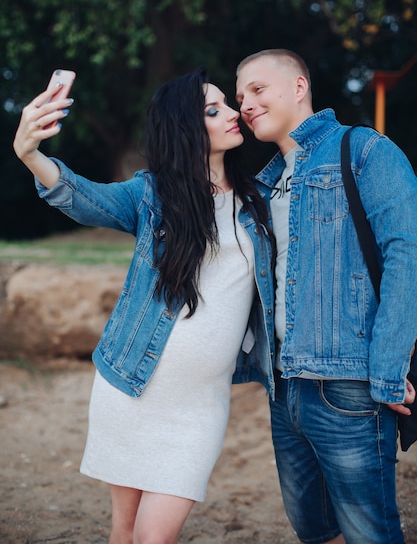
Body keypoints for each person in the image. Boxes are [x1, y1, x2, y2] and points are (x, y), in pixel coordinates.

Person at [13, 67, 276, 544]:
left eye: (226, 105)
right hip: (130, 387)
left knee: (154, 536)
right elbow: (83, 198)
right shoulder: (152, 196)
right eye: (213, 110)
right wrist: (29, 153)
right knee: (125, 531)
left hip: (201, 406)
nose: (233, 113)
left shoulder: (259, 202)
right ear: (186, 130)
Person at [235, 48, 417, 544]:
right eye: (239, 98)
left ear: (298, 87)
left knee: (369, 533)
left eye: (256, 89)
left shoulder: (364, 151)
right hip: (284, 386)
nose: (245, 104)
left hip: (349, 387)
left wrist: (388, 369)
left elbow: (407, 256)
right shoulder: (263, 185)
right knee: (313, 528)